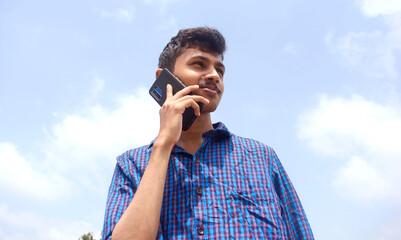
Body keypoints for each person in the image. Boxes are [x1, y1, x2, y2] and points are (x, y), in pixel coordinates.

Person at [101, 27, 314, 240]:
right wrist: (163, 144)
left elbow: (300, 232)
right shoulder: (131, 164)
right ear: (164, 78)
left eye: (220, 71)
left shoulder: (262, 157)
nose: (214, 76)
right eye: (199, 64)